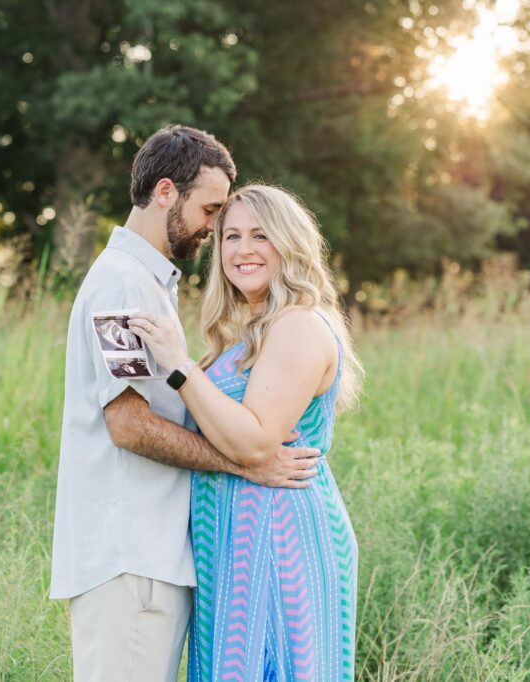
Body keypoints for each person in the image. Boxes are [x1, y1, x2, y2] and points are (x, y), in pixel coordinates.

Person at [49, 127, 321, 682]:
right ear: (167, 192)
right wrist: (245, 462)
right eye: (211, 210)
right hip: (131, 558)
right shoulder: (123, 288)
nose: (215, 229)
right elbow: (127, 424)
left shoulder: (149, 285)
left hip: (152, 558)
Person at [130, 184, 364, 681]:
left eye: (261, 235)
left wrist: (179, 365)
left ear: (290, 243)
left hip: (280, 539)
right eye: (231, 236)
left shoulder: (298, 324)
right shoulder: (251, 331)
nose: (242, 249)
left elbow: (257, 442)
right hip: (234, 540)